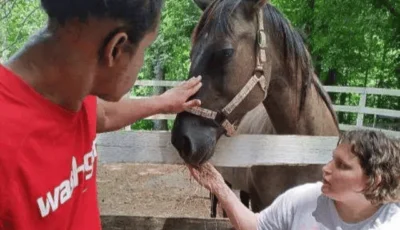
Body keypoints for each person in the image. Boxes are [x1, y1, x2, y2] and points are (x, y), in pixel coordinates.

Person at [0, 1, 202, 229]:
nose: (142, 60)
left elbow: (104, 114)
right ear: (116, 48)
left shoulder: (72, 86)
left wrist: (163, 103)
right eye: (144, 49)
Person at [188, 129, 400, 229]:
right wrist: (218, 185)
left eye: (342, 166)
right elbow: (257, 226)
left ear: (374, 181)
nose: (326, 169)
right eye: (331, 160)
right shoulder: (304, 199)